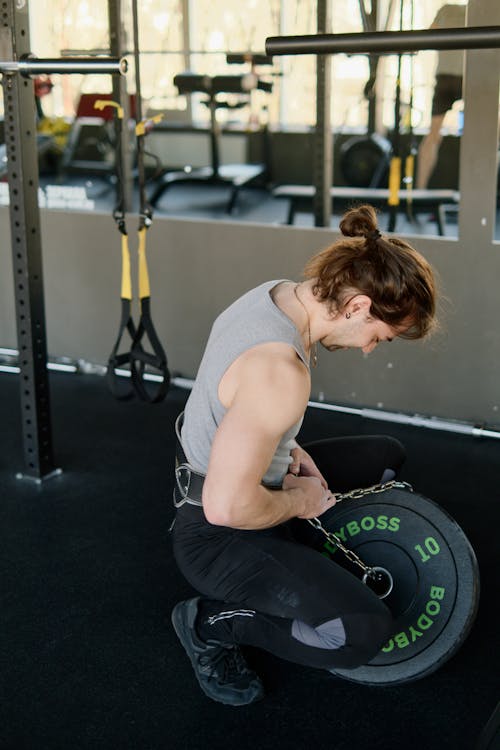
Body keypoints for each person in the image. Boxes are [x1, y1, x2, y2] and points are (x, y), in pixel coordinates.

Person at [170, 204, 437, 706]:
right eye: (379, 337)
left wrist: (286, 447)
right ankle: (209, 626)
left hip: (230, 475)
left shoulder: (273, 295)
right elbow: (225, 508)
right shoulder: (280, 371)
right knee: (359, 631)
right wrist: (301, 501)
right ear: (357, 305)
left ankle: (297, 554)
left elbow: (234, 400)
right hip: (218, 534)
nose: (369, 349)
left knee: (385, 455)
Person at [416, 3, 467, 189]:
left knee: (433, 135)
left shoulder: (446, 9)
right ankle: (473, 192)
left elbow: (430, 37)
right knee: (478, 134)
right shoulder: (489, 10)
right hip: (469, 76)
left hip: (447, 76)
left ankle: (419, 191)